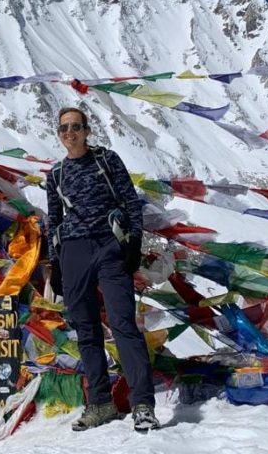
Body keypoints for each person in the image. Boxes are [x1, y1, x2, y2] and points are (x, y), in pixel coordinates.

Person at [46, 107, 160, 432]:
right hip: (73, 251)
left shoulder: (107, 161)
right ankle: (100, 403)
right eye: (64, 128)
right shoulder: (55, 175)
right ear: (59, 133)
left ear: (87, 130)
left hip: (109, 246)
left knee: (122, 322)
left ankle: (142, 404)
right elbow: (53, 221)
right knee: (86, 330)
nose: (70, 133)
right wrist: (55, 262)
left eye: (76, 127)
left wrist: (134, 242)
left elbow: (130, 202)